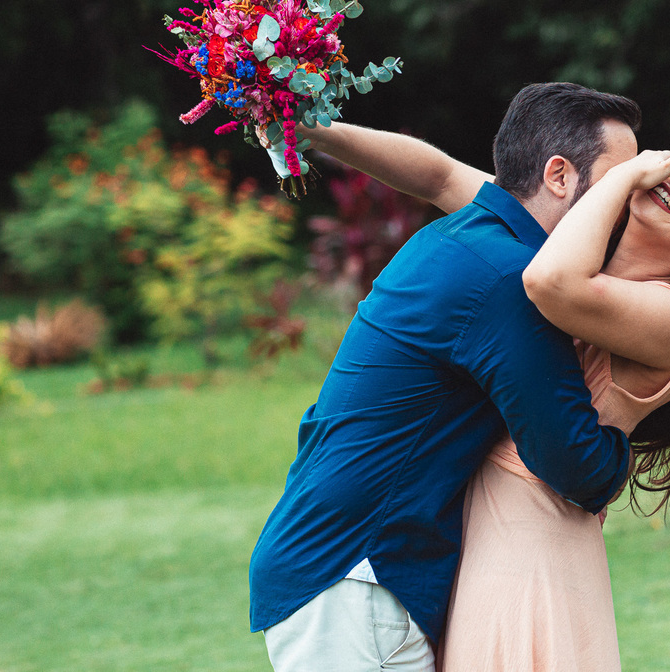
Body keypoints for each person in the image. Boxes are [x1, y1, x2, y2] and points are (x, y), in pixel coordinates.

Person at [299, 115, 670, 671]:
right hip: (463, 544)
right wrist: (311, 129)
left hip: (530, 557)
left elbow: (550, 284)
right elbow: (439, 178)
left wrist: (619, 180)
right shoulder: (577, 245)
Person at [248, 82, 642, 672]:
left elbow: (436, 175)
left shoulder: (471, 234)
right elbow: (575, 465)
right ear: (559, 176)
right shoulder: (510, 280)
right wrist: (631, 423)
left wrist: (307, 128)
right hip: (356, 577)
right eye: (620, 184)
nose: (630, 204)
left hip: (332, 562)